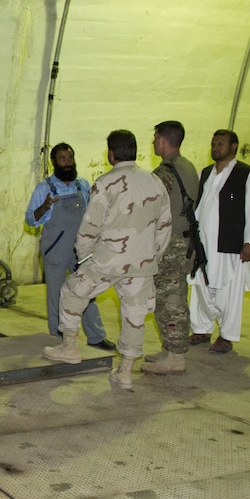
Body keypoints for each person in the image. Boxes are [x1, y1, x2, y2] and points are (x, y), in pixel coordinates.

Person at [43, 129, 172, 388]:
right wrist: (151, 256)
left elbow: (90, 226)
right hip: (142, 263)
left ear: (111, 154)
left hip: (107, 260)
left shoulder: (105, 183)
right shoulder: (155, 182)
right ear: (136, 152)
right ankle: (124, 372)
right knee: (135, 316)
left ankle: (69, 347)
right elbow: (165, 225)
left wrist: (83, 257)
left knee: (71, 291)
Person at [25, 143, 115, 351]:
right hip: (55, 251)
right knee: (56, 296)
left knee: (87, 292)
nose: (67, 162)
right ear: (54, 162)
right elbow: (30, 219)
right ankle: (57, 339)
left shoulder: (83, 186)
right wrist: (45, 206)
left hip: (81, 250)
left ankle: (96, 336)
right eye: (63, 159)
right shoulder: (44, 188)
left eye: (70, 158)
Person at [186, 129, 250, 354]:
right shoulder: (206, 172)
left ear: (234, 146)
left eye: (221, 144)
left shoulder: (247, 174)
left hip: (230, 245)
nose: (215, 147)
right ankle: (201, 329)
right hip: (204, 243)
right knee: (201, 286)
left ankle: (226, 336)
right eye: (213, 144)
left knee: (228, 290)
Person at [141, 121, 199, 375]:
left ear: (164, 141)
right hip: (184, 240)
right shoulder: (187, 166)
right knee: (170, 296)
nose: (153, 142)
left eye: (155, 138)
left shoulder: (164, 173)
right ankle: (169, 349)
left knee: (170, 300)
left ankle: (175, 357)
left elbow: (150, 209)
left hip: (170, 243)